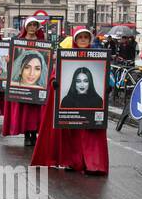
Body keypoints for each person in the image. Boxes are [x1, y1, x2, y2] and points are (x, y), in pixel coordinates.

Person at [31, 26, 109, 175]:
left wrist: (107, 87)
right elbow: (55, 74)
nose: (83, 40)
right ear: (75, 39)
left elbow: (106, 74)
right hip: (73, 108)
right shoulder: (66, 55)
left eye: (86, 37)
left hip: (92, 110)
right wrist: (54, 82)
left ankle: (94, 165)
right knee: (72, 136)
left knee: (92, 135)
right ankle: (73, 162)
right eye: (80, 38)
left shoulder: (99, 56)